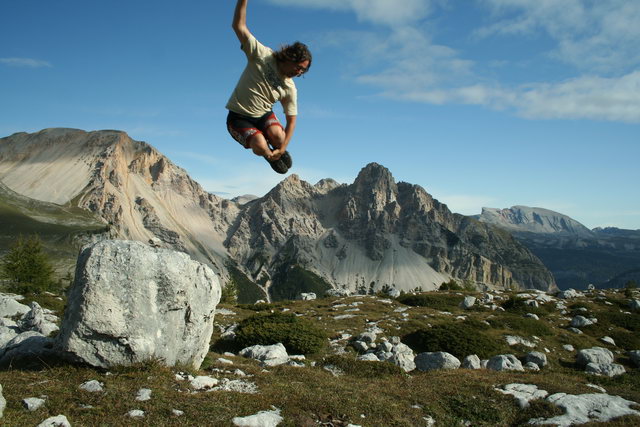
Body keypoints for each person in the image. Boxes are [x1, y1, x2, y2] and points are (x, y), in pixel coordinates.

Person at [225, 0, 312, 174]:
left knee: (280, 137)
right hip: (238, 118)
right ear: (289, 57)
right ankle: (267, 152)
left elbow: (292, 120)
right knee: (259, 145)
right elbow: (238, 25)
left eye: (303, 71)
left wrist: (283, 147)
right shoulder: (262, 55)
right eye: (298, 67)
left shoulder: (290, 87)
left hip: (263, 115)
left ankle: (275, 148)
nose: (299, 72)